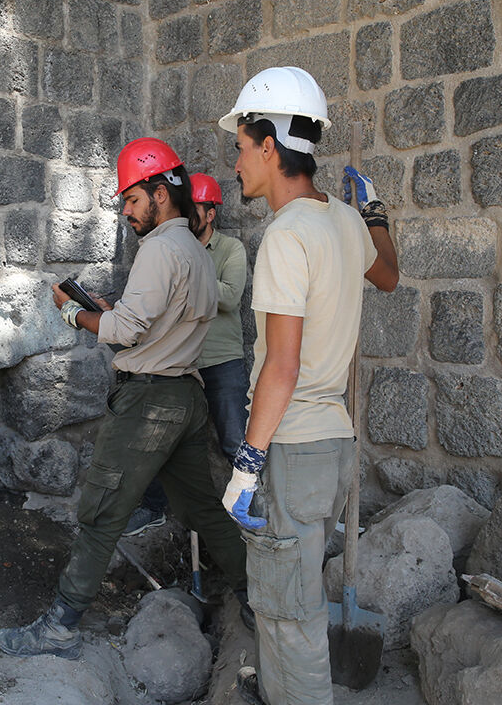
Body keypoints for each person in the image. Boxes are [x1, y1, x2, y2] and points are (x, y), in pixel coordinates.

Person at [0, 137, 249, 659]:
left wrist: (73, 312)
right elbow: (163, 320)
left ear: (160, 192)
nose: (127, 212)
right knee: (203, 507)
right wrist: (115, 310)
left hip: (148, 404)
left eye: (132, 200)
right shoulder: (198, 253)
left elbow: (126, 331)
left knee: (100, 512)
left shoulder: (158, 250)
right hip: (185, 397)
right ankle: (256, 592)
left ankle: (60, 626)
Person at [215, 67, 399, 705]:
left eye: (241, 147)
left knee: (290, 615)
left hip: (292, 448)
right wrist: (372, 209)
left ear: (269, 145)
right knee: (287, 597)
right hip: (334, 448)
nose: (236, 163)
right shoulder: (345, 222)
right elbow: (390, 276)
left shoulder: (287, 235)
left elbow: (281, 366)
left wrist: (248, 459)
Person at [124, 172, 251, 537]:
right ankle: (153, 509)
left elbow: (229, 296)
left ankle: (251, 510)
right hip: (180, 363)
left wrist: (188, 269)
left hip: (222, 361)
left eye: (193, 209)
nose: (184, 215)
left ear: (210, 213)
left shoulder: (230, 250)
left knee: (233, 441)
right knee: (159, 440)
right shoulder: (167, 248)